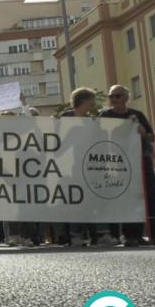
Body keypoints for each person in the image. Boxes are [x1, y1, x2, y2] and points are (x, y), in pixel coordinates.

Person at [98, 85, 155, 247]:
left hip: (141, 159)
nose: (114, 99)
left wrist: (143, 132)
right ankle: (128, 235)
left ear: (125, 98)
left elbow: (152, 137)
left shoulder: (137, 115)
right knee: (123, 197)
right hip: (116, 162)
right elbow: (97, 133)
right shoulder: (105, 115)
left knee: (148, 195)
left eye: (117, 96)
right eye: (111, 96)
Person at [59, 88, 119, 247]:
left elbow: (103, 144)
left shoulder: (94, 121)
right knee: (78, 202)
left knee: (98, 201)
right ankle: (76, 235)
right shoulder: (66, 121)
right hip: (77, 169)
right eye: (91, 100)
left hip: (96, 168)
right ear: (84, 101)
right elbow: (60, 148)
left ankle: (102, 235)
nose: (94, 103)